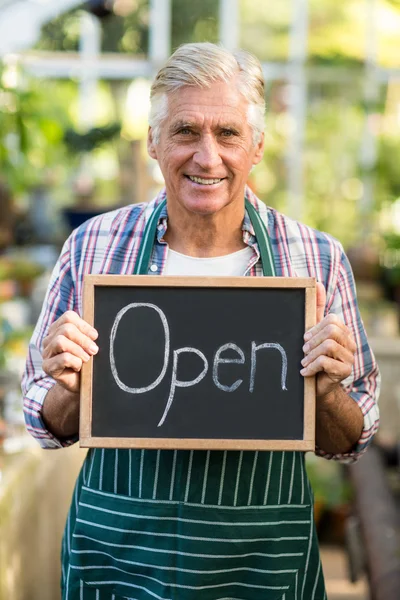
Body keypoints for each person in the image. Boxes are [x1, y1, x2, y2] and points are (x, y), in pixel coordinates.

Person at [22, 42, 380, 600]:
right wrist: (68, 388)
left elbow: (349, 441)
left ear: (257, 145)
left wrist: (329, 394)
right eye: (186, 131)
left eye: (229, 133)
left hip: (261, 561)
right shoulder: (93, 246)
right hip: (120, 556)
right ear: (153, 142)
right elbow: (48, 423)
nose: (207, 157)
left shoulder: (317, 259)